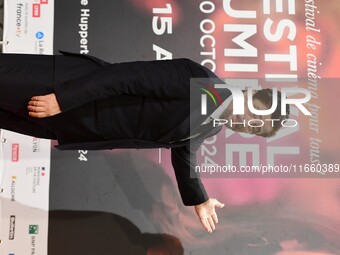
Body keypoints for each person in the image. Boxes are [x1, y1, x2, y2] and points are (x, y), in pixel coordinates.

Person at [0, 52, 288, 233]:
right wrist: (63, 99)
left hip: (71, 124)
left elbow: (184, 154)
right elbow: (124, 77)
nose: (246, 126)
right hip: (59, 89)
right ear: (252, 96)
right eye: (255, 117)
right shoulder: (199, 79)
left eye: (255, 130)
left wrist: (199, 199)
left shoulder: (213, 125)